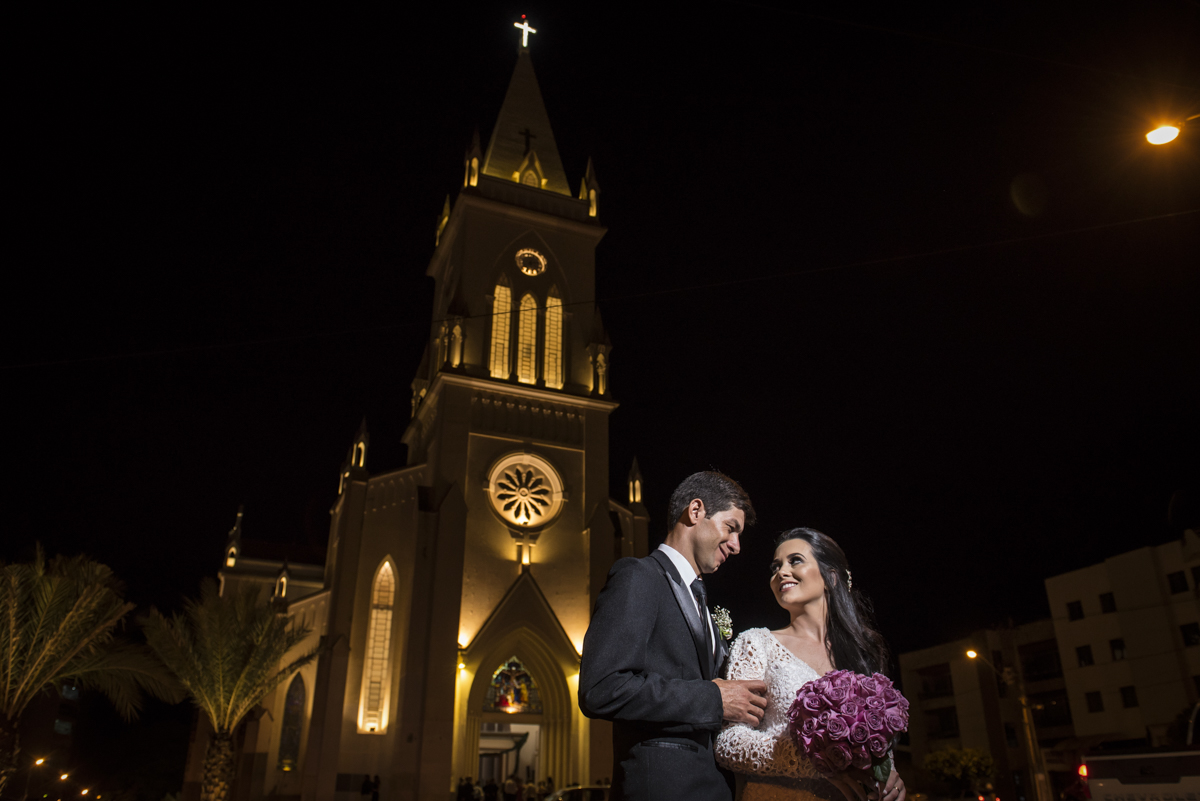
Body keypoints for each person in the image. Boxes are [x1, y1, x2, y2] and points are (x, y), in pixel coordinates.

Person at [579, 471, 765, 801]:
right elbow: (601, 687)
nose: (737, 546)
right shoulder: (639, 577)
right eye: (731, 528)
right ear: (695, 511)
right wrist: (713, 699)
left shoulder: (703, 605)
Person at [714, 528, 908, 801]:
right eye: (776, 566)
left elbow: (876, 741)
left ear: (831, 576)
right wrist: (825, 762)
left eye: (795, 560)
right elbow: (729, 743)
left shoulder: (862, 652)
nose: (781, 572)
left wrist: (887, 773)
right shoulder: (757, 643)